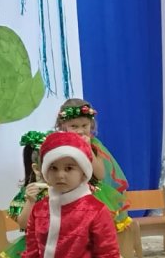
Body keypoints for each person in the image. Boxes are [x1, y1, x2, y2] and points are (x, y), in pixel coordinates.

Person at [54, 99, 131, 234]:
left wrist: (88, 148)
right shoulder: (58, 145)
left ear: (91, 124)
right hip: (66, 194)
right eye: (74, 126)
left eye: (85, 125)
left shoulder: (94, 145)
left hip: (91, 194)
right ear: (63, 125)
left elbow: (100, 174)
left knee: (95, 231)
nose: (80, 131)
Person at [0, 131, 49, 258]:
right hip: (35, 249)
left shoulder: (66, 190)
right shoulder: (30, 193)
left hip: (62, 246)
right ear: (36, 168)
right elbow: (24, 223)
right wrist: (31, 201)